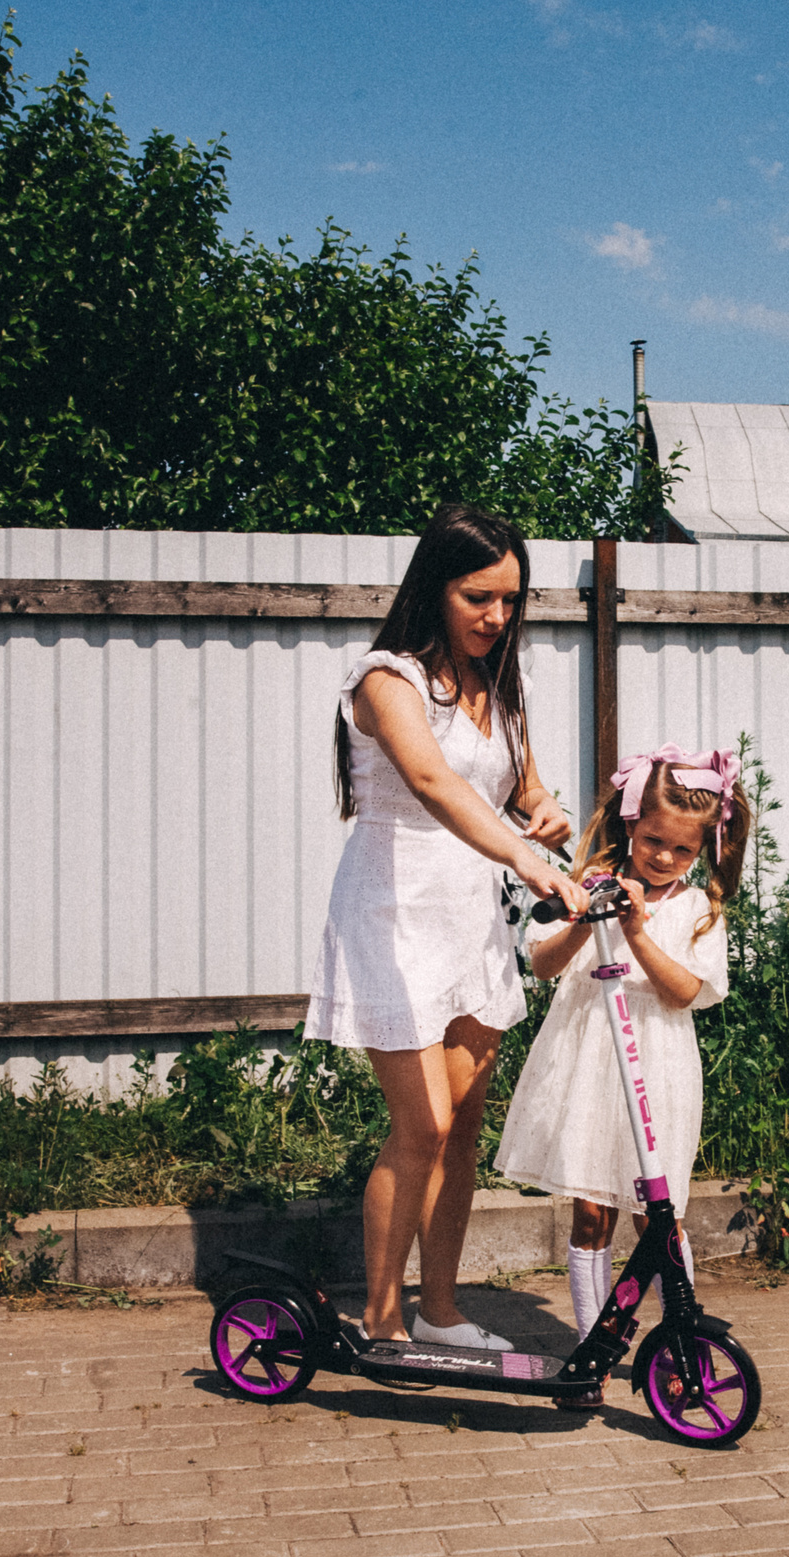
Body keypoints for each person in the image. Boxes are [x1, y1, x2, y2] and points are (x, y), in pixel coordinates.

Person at [305, 504, 587, 1353]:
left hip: (471, 912)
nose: (497, 617)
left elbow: (527, 792)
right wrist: (531, 862)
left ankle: (442, 1309)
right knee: (421, 1122)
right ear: (435, 587)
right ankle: (382, 1319)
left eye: (510, 599)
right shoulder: (384, 680)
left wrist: (548, 818)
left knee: (463, 1120)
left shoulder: (506, 684)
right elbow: (432, 783)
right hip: (394, 912)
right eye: (479, 598)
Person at [494, 747, 749, 1339]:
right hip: (590, 1059)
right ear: (632, 823)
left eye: (683, 849)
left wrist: (635, 932)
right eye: (655, 840)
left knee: (657, 1216)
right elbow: (544, 965)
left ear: (704, 850)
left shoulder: (696, 907)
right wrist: (588, 921)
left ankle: (683, 1338)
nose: (665, 857)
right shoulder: (590, 885)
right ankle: (594, 1344)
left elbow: (684, 991)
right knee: (590, 1213)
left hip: (655, 1066)